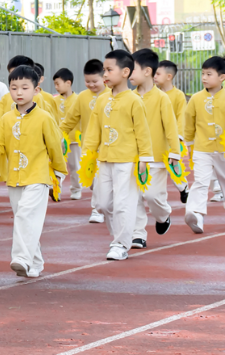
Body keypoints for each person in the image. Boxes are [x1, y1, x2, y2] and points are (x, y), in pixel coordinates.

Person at [0, 64, 67, 278]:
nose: (19, 92)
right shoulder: (6, 119)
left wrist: (59, 173)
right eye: (14, 88)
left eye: (24, 87)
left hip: (38, 177)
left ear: (36, 90)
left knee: (25, 216)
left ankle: (21, 258)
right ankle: (36, 263)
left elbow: (55, 146)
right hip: (14, 178)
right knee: (26, 219)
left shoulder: (44, 118)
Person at [80, 50, 154, 261]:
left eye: (109, 70)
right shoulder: (102, 101)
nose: (105, 74)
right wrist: (88, 154)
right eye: (104, 70)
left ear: (125, 72)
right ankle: (120, 237)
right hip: (105, 159)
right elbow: (94, 131)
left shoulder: (134, 100)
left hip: (127, 161)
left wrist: (144, 159)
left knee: (124, 203)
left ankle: (121, 244)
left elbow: (143, 132)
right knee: (103, 204)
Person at [182, 56, 225, 234]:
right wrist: (187, 144)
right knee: (201, 182)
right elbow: (188, 124)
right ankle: (197, 214)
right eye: (203, 73)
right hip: (202, 149)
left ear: (222, 77)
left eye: (209, 74)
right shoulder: (195, 99)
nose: (204, 77)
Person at [129, 49, 181, 249]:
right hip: (133, 158)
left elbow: (171, 128)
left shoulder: (161, 98)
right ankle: (138, 234)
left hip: (157, 158)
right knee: (135, 196)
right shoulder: (128, 97)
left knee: (151, 196)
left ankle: (163, 215)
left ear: (148, 71)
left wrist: (175, 153)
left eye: (132, 69)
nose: (128, 73)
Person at [58, 60, 107, 207]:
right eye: (87, 81)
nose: (91, 85)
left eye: (95, 81)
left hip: (108, 146)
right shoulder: (83, 97)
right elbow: (69, 120)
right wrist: (59, 134)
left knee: (101, 180)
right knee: (94, 180)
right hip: (88, 146)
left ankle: (96, 210)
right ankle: (101, 202)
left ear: (104, 78)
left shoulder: (111, 94)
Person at [155, 59, 190, 203]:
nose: (154, 76)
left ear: (169, 76)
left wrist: (179, 137)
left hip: (171, 139)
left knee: (172, 167)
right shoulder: (153, 94)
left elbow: (181, 117)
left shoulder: (178, 95)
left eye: (157, 73)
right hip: (155, 138)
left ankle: (183, 187)